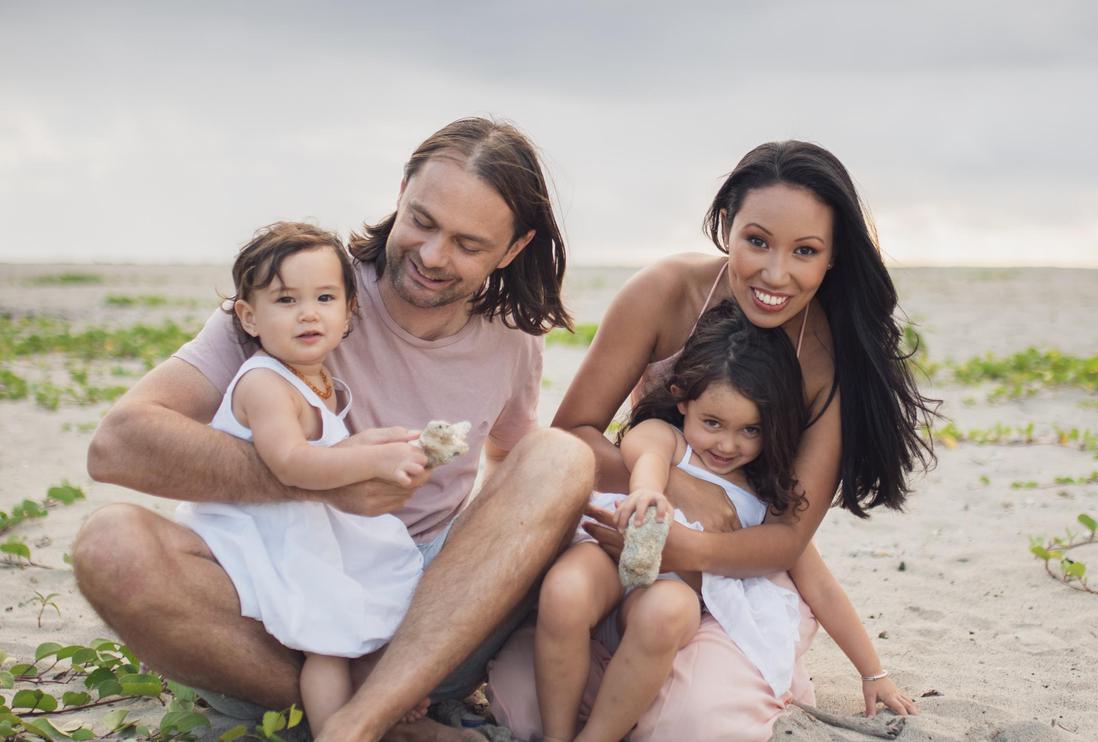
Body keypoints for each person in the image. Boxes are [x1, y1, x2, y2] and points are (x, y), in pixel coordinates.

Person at [74, 118, 594, 742]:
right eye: (422, 222)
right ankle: (381, 722)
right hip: (274, 612)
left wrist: (466, 572)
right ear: (401, 191)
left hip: (420, 626)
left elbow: (510, 462)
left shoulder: (512, 340)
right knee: (110, 545)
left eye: (468, 244)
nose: (432, 256)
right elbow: (117, 445)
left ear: (512, 249)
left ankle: (362, 716)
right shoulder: (303, 290)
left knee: (561, 457)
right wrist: (320, 483)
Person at [488, 140, 937, 740]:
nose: (775, 274)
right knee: (527, 701)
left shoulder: (832, 361)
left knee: (693, 725)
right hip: (630, 536)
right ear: (727, 227)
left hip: (734, 570)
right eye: (757, 241)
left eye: (805, 252)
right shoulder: (668, 292)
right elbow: (571, 437)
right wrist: (679, 490)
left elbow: (787, 541)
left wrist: (686, 549)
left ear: (833, 259)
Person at [534, 300, 916, 742]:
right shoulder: (669, 441)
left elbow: (822, 587)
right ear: (682, 400)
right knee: (564, 590)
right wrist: (648, 494)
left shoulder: (761, 500)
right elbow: (646, 460)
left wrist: (873, 672)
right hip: (611, 564)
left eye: (749, 430)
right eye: (712, 422)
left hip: (664, 601)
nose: (727, 444)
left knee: (667, 608)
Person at [174, 222, 434, 734]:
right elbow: (290, 463)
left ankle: (382, 692)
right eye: (286, 300)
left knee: (380, 600)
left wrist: (381, 445)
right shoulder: (265, 383)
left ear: (348, 311)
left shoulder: (315, 380)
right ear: (249, 317)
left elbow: (329, 451)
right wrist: (373, 463)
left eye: (324, 297)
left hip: (305, 527)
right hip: (264, 536)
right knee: (327, 644)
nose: (309, 312)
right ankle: (337, 727)